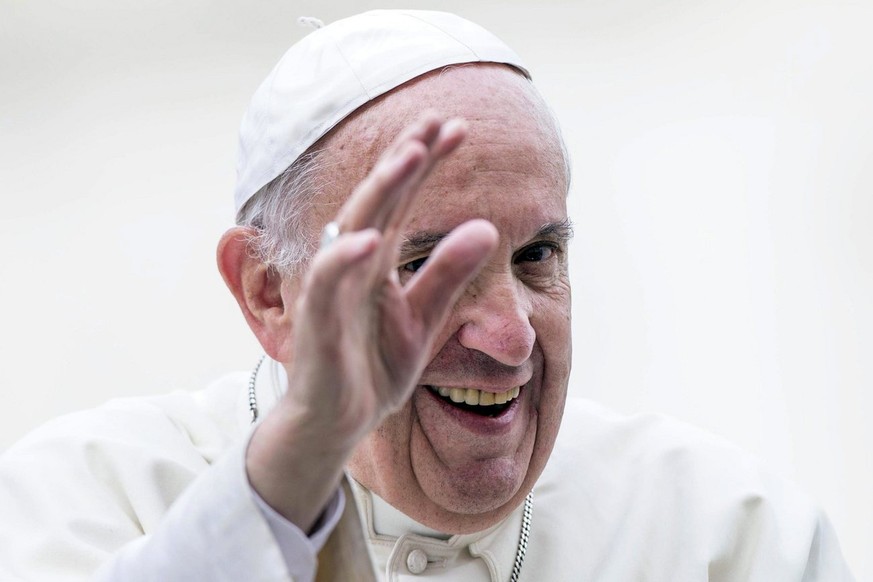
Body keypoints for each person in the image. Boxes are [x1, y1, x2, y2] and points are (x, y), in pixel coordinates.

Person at [0, 9, 855, 582]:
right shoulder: (86, 496)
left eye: (536, 256)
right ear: (269, 294)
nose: (510, 337)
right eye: (426, 266)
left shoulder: (729, 536)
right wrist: (294, 462)